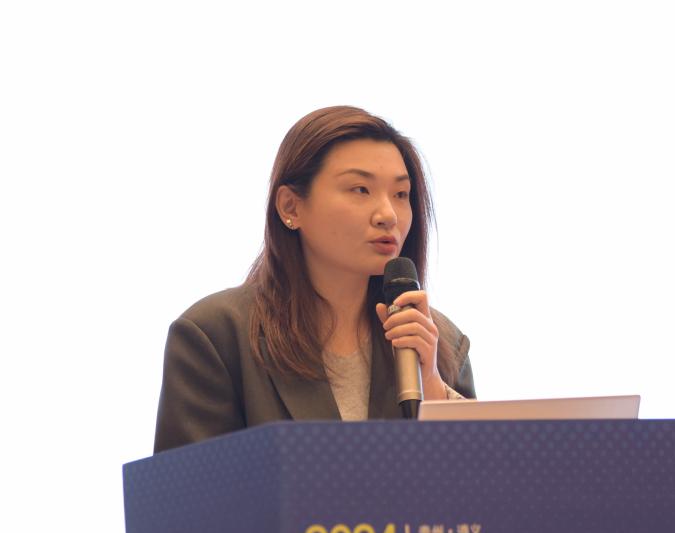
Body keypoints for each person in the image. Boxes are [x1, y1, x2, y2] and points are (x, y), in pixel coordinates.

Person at [153, 106, 476, 453]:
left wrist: (431, 384)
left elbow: (481, 480)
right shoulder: (215, 336)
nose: (388, 215)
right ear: (290, 207)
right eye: (360, 189)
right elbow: (191, 485)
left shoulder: (438, 340)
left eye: (400, 194)